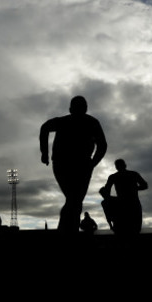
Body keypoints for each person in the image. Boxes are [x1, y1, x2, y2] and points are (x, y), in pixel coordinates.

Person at [40, 96, 107, 233]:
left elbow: (102, 146)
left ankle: (67, 230)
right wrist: (44, 152)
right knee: (74, 199)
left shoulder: (89, 122)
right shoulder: (87, 122)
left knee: (74, 200)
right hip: (67, 164)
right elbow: (45, 128)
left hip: (76, 165)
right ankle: (67, 231)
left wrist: (92, 163)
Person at [101, 158, 147, 235]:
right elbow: (144, 186)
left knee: (122, 231)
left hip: (122, 204)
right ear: (125, 165)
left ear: (116, 167)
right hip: (133, 203)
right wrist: (134, 188)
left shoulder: (113, 177)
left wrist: (109, 198)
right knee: (135, 229)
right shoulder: (133, 174)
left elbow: (106, 192)